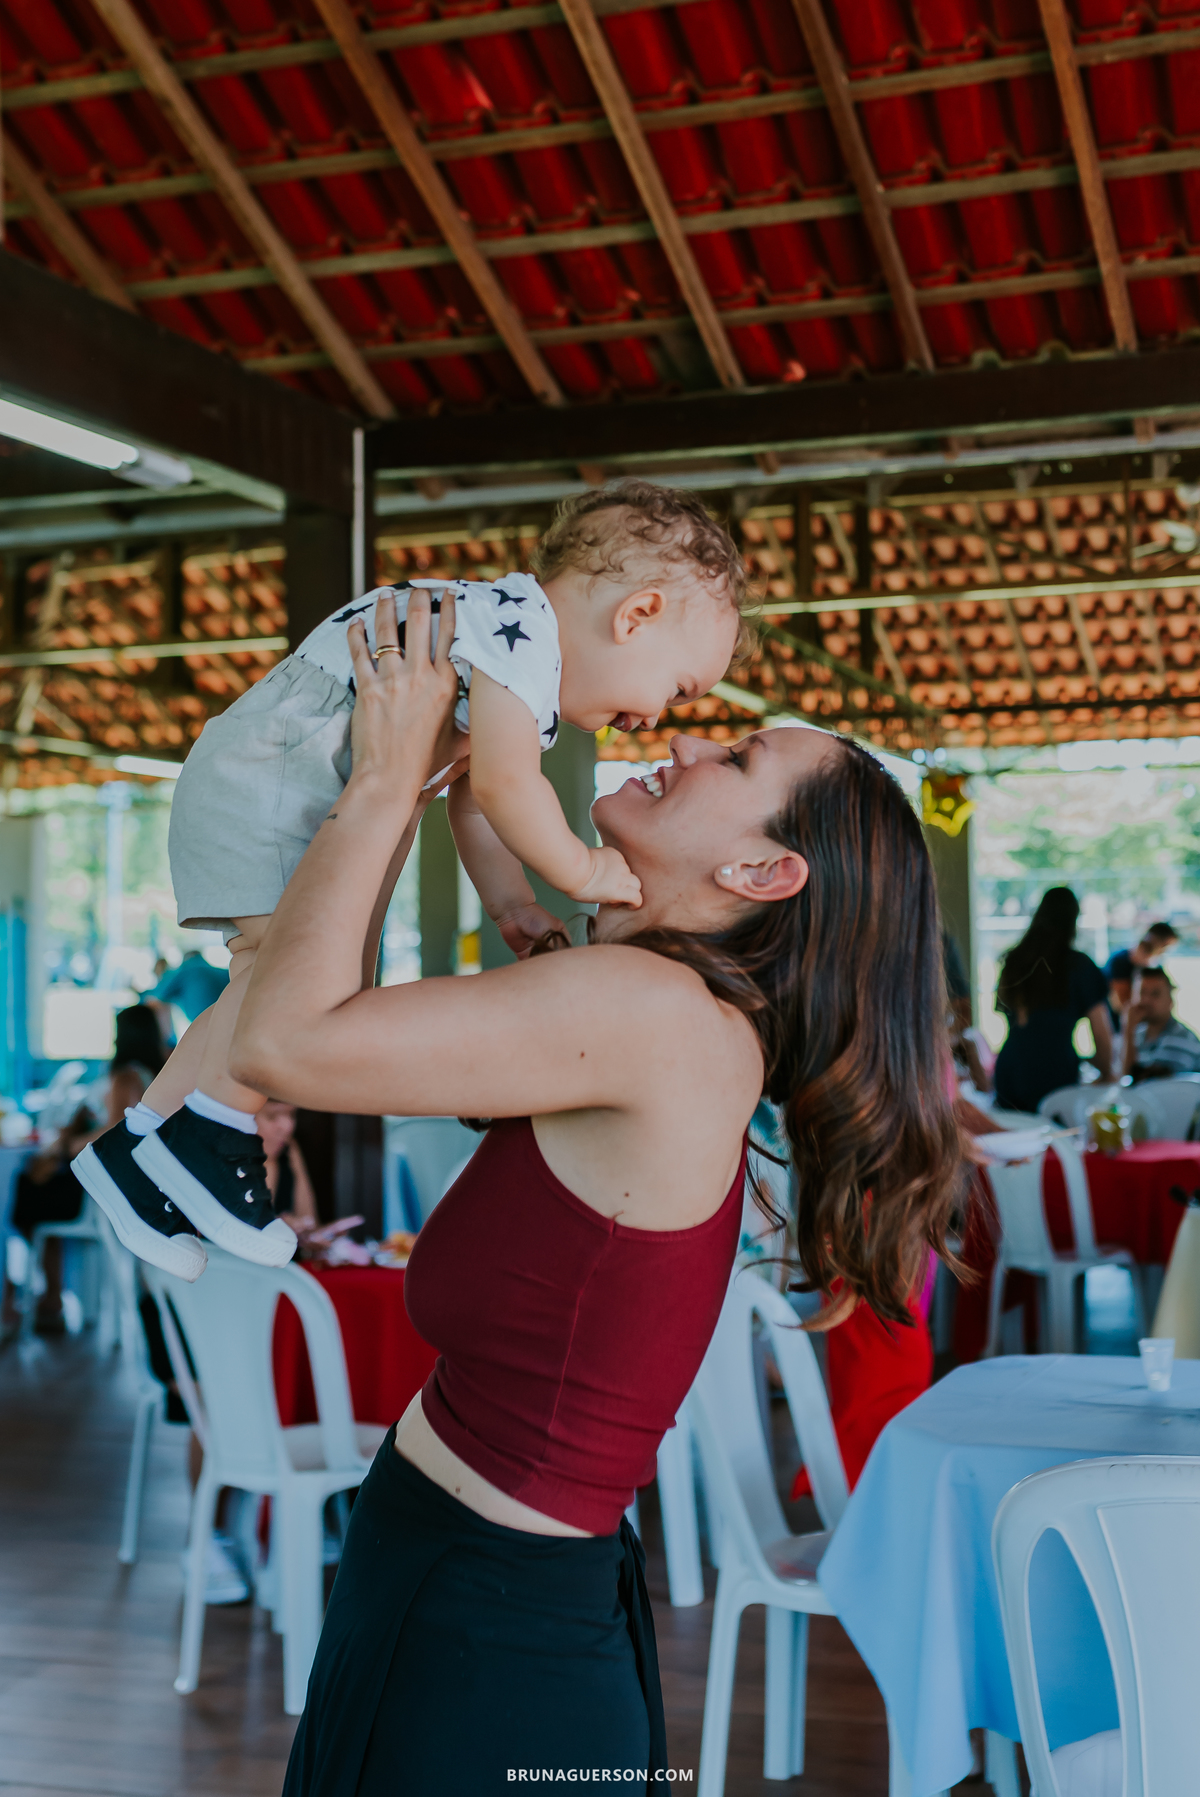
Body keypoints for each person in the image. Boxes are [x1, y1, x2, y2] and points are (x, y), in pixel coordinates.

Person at [221, 587, 963, 1794]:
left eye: (733, 757)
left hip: (483, 1631)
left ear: (763, 868)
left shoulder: (659, 1019)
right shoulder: (664, 1007)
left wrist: (381, 778)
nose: (681, 739)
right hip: (474, 1595)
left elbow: (283, 1045)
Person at [72, 483, 748, 1281]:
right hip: (277, 776)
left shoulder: (512, 650)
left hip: (266, 771)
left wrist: (511, 902)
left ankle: (138, 1143)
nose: (659, 719)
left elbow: (472, 799)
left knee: (264, 980)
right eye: (677, 688)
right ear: (635, 615)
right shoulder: (521, 636)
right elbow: (501, 786)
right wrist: (583, 865)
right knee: (289, 978)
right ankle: (213, 1136)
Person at [1, 1005, 166, 1335]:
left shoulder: (127, 1076)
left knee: (26, 1192)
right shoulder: (156, 1074)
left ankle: (24, 1295)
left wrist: (67, 1145)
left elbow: (116, 1130)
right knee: (34, 1194)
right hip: (118, 1180)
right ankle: (46, 1296)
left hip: (99, 1184)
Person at [993, 886, 1114, 1114]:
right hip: (1055, 1070)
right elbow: (1101, 1033)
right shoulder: (1078, 966)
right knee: (1057, 1143)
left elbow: (1011, 1014)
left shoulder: (1014, 962)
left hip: (1011, 1068)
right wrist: (1106, 1072)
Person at [1121, 966, 1200, 1081]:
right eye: (1142, 992)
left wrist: (1128, 1032)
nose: (1146, 1000)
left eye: (1155, 994)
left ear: (1170, 1001)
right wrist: (1128, 1031)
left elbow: (1138, 1081)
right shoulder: (1136, 1034)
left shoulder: (1182, 1038)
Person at [256, 1099, 318, 1229]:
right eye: (272, 1116)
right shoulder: (226, 1163)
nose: (288, 1127)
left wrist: (317, 1235)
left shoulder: (289, 1150)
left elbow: (309, 1219)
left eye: (292, 1115)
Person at [1105, 920, 1178, 1027]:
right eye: (1165, 947)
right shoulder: (1119, 962)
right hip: (1118, 1027)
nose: (1164, 952)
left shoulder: (1154, 966)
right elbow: (1120, 1005)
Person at [149, 948, 229, 1024]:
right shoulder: (221, 973)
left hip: (204, 1024)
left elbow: (157, 996)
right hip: (230, 1019)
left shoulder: (184, 971)